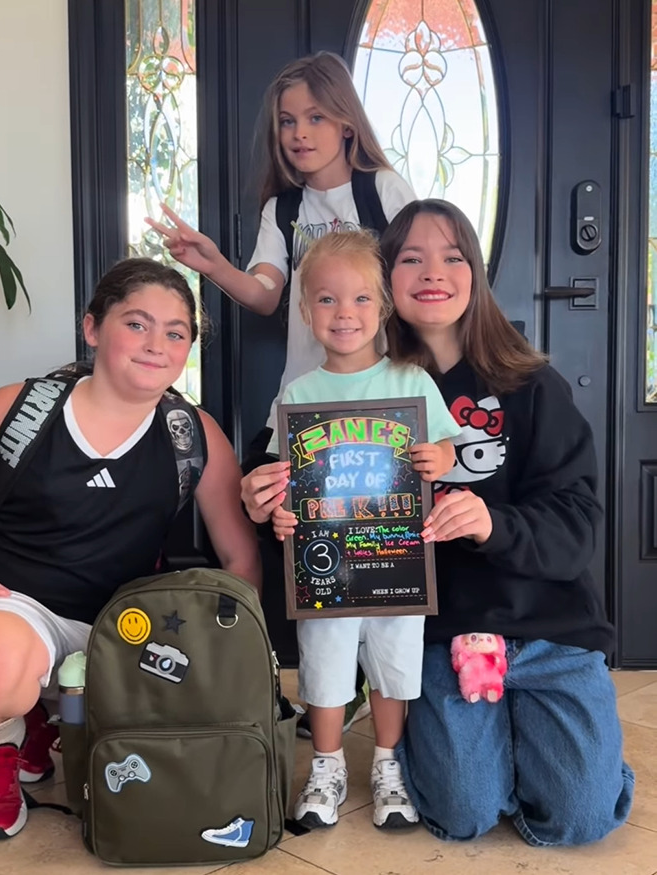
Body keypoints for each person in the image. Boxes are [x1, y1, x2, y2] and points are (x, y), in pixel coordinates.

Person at [242, 199, 635, 847]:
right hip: (443, 632)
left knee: (578, 814)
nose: (434, 271)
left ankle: (552, 734)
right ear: (385, 282)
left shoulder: (533, 385)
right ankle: (493, 743)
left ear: (475, 274)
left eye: (454, 256)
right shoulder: (341, 386)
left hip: (547, 629)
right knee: (462, 811)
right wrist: (263, 499)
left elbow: (578, 523)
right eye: (411, 258)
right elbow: (290, 490)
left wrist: (492, 521)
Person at [147, 50, 414, 732]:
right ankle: (315, 680)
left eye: (315, 117)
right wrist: (214, 265)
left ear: (347, 123)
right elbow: (266, 294)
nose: (299, 132)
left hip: (378, 409)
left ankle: (381, 688)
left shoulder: (384, 188)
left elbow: (413, 286)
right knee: (288, 532)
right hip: (304, 404)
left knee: (375, 543)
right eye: (288, 120)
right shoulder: (283, 205)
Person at [0, 257, 261, 842]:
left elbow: (239, 562)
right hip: (11, 603)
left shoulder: (191, 432)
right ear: (93, 328)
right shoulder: (25, 407)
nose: (157, 345)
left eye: (176, 333)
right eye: (137, 324)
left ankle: (44, 715)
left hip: (123, 624)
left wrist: (238, 660)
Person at [263, 230, 460, 830]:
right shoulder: (298, 395)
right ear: (305, 311)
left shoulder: (411, 381)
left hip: (398, 554)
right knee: (322, 663)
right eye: (326, 300)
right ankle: (325, 765)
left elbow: (449, 449)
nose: (344, 314)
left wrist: (441, 459)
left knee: (395, 662)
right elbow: (286, 477)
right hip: (327, 561)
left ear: (383, 307)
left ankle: (386, 762)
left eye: (359, 300)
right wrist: (282, 511)